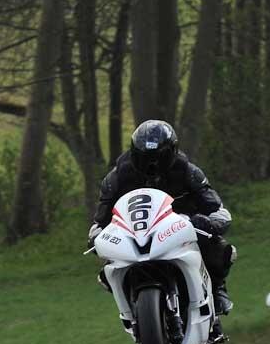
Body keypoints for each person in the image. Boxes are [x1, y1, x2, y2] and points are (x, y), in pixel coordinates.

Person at [88, 120, 235, 323]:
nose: (152, 166)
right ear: (133, 154)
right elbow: (100, 220)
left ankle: (217, 289)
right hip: (135, 233)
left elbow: (217, 209)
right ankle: (131, 308)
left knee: (219, 248)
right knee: (107, 271)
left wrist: (208, 222)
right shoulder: (117, 177)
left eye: (159, 158)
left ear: (172, 153)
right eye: (144, 159)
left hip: (179, 229)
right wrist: (97, 237)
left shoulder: (188, 171)